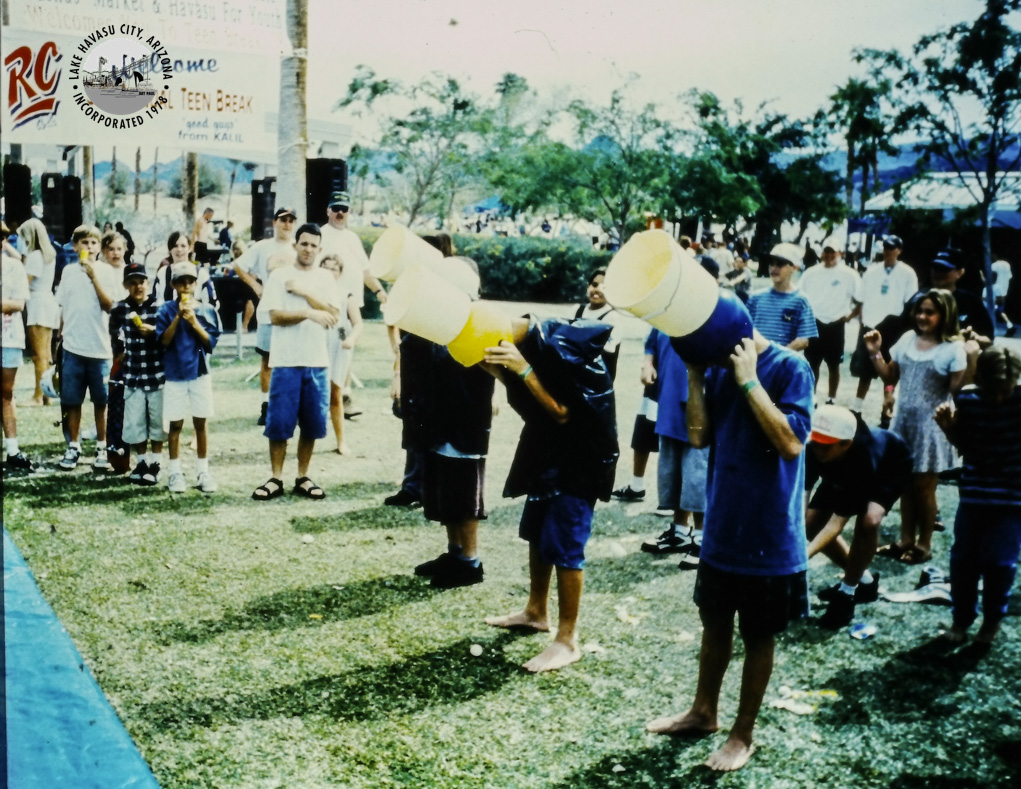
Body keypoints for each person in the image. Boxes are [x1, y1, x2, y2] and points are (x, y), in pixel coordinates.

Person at [646, 323, 814, 774]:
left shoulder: (790, 367)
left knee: (758, 634)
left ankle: (743, 734)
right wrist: (698, 376)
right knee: (714, 623)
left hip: (770, 537)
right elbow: (698, 437)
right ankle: (704, 712)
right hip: (723, 530)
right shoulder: (719, 370)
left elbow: (791, 443)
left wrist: (749, 380)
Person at [484, 316, 618, 673]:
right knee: (537, 534)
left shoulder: (570, 355)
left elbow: (560, 412)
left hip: (579, 467)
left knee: (566, 547)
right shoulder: (546, 350)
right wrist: (502, 373)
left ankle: (567, 640)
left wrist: (522, 368)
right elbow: (535, 405)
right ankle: (536, 611)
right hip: (549, 459)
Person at [866, 289, 974, 565]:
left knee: (925, 487)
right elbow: (890, 375)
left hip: (932, 425)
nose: (922, 316)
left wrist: (971, 360)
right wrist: (876, 354)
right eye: (920, 311)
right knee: (904, 483)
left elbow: (958, 391)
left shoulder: (952, 349)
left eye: (930, 312)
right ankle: (905, 539)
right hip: (904, 421)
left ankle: (924, 544)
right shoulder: (907, 339)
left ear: (944, 315)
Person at [413, 258, 496, 589]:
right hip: (438, 417)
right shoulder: (436, 319)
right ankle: (454, 551)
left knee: (463, 492)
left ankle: (470, 560)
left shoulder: (478, 320)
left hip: (465, 420)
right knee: (443, 489)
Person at [935, 346, 1021, 645]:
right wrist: (949, 429)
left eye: (1006, 390)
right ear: (981, 380)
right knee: (963, 561)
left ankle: (992, 622)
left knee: (1000, 564)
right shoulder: (969, 399)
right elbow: (966, 446)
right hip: (974, 493)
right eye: (993, 390)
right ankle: (961, 620)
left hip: (1012, 499)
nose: (999, 397)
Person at [252, 223, 341, 501]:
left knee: (312, 424)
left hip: (316, 361)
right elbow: (274, 316)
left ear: (320, 249)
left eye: (314, 245)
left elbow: (334, 314)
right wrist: (308, 313)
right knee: (279, 424)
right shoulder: (280, 276)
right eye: (304, 243)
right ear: (295, 245)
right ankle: (276, 478)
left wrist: (304, 295)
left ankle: (303, 476)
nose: (308, 249)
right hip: (286, 361)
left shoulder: (326, 278)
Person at [804, 404, 913, 627]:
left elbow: (836, 525)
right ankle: (865, 580)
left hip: (889, 466)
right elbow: (801, 499)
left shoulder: (862, 458)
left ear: (846, 444)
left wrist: (800, 559)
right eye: (815, 443)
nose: (817, 450)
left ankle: (848, 591)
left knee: (868, 522)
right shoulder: (814, 448)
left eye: (825, 446)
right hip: (841, 467)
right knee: (810, 524)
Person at [639, 328, 708, 559]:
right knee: (673, 469)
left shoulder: (712, 308)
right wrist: (648, 364)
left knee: (697, 471)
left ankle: (702, 536)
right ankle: (679, 531)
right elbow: (652, 344)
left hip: (700, 400)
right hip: (669, 397)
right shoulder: (666, 309)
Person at [55, 225, 119, 471]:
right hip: (72, 346)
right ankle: (73, 445)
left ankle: (102, 446)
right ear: (75, 246)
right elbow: (63, 306)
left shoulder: (106, 272)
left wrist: (93, 276)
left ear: (99, 248)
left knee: (101, 401)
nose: (89, 248)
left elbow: (109, 306)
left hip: (100, 348)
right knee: (72, 400)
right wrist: (57, 338)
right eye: (84, 243)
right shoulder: (68, 272)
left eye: (93, 243)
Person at [319, 192, 387, 416]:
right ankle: (323, 401)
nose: (340, 212)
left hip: (348, 310)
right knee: (323, 352)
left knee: (344, 347)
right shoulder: (319, 235)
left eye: (344, 209)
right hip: (324, 307)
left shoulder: (353, 239)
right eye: (336, 207)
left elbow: (366, 272)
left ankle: (343, 397)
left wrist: (378, 291)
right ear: (328, 210)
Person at [155, 261, 222, 493]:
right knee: (174, 424)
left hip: (199, 373)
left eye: (190, 282)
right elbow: (163, 341)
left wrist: (193, 321)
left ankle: (203, 471)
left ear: (196, 283)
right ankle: (175, 472)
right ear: (173, 284)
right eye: (180, 282)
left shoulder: (206, 310)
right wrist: (178, 319)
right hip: (174, 374)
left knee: (200, 423)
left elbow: (210, 342)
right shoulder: (165, 310)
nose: (185, 286)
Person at [234, 207, 299, 425]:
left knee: (292, 361)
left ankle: (289, 405)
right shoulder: (262, 247)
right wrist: (256, 286)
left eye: (291, 220)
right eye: (283, 220)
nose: (287, 224)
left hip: (293, 312)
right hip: (268, 313)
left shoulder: (299, 247)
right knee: (267, 362)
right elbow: (238, 266)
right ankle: (266, 406)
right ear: (275, 223)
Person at [849, 235, 918, 424]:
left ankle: (886, 410)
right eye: (886, 247)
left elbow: (910, 302)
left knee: (890, 372)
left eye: (892, 247)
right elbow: (862, 300)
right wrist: (862, 325)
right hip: (871, 324)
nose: (888, 251)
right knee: (865, 371)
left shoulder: (908, 273)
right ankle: (856, 408)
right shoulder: (871, 271)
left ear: (899, 251)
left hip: (893, 327)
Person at [108, 263, 166, 486]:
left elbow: (167, 335)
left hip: (157, 374)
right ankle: (141, 461)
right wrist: (119, 350)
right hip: (133, 376)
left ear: (148, 283)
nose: (138, 286)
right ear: (126, 285)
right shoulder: (120, 308)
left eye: (141, 282)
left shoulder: (159, 307)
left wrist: (153, 331)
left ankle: (156, 462)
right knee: (136, 422)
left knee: (158, 422)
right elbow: (114, 330)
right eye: (132, 283)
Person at [799, 236, 862, 403]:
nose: (828, 255)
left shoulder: (850, 274)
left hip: (836, 324)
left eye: (832, 252)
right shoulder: (810, 273)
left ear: (840, 253)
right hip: (814, 323)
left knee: (834, 365)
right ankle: (811, 397)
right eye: (826, 252)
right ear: (821, 254)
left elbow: (861, 299)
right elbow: (800, 297)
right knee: (812, 363)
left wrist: (850, 316)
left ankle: (831, 398)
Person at [318, 253, 363, 454]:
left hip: (337, 345)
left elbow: (351, 324)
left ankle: (341, 441)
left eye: (333, 269)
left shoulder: (346, 295)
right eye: (325, 267)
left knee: (335, 393)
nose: (328, 272)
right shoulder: (312, 292)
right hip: (315, 343)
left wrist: (349, 339)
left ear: (340, 273)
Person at [611, 328, 661, 504]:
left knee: (674, 442)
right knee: (643, 432)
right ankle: (636, 486)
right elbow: (651, 343)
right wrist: (647, 363)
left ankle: (672, 499)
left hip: (682, 380)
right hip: (658, 379)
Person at [17, 218, 59, 406]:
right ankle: (47, 394)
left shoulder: (35, 256)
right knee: (47, 354)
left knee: (38, 354)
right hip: (48, 301)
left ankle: (37, 396)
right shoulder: (48, 254)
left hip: (38, 303)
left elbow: (23, 282)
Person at [747, 243, 818, 351]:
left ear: (793, 268)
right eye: (771, 264)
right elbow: (744, 329)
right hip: (757, 362)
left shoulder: (800, 300)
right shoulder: (756, 298)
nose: (774, 268)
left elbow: (803, 341)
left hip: (784, 364)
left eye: (780, 264)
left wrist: (775, 357)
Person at [2, 249, 34, 471]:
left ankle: (12, 449)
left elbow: (18, 304)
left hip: (8, 338)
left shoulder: (14, 266)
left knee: (6, 392)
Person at [927, 250, 994, 346]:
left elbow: (989, 338)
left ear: (960, 272)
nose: (939, 273)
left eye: (945, 269)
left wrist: (975, 338)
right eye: (936, 268)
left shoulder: (971, 302)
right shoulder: (919, 299)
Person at [574, 268, 622, 380]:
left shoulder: (612, 318)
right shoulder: (576, 311)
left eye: (604, 287)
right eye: (594, 285)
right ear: (588, 286)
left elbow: (608, 351)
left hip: (597, 380)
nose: (597, 290)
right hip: (575, 375)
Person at [153, 231, 216, 307]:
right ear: (170, 249)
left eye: (183, 246)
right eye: (175, 246)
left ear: (189, 248)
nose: (179, 249)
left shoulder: (201, 273)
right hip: (169, 318)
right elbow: (156, 300)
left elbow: (211, 304)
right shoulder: (162, 273)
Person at [991, 256, 1014, 336]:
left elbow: (992, 277)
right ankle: (1009, 325)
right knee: (999, 310)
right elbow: (1010, 277)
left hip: (996, 288)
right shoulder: (1006, 264)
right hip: (1004, 289)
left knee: (996, 309)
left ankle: (1009, 325)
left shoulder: (993, 266)